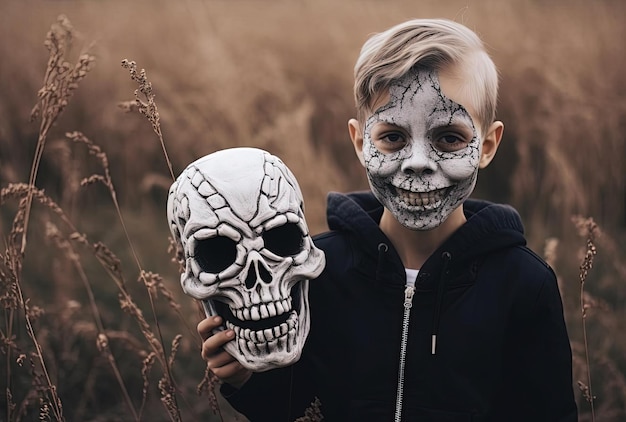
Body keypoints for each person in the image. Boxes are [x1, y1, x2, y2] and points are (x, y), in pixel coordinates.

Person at [197, 18, 578, 421]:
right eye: (393, 137)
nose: (417, 163)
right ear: (361, 142)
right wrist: (244, 376)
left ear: (486, 146)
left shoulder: (524, 283)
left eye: (449, 137)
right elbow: (291, 404)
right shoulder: (316, 270)